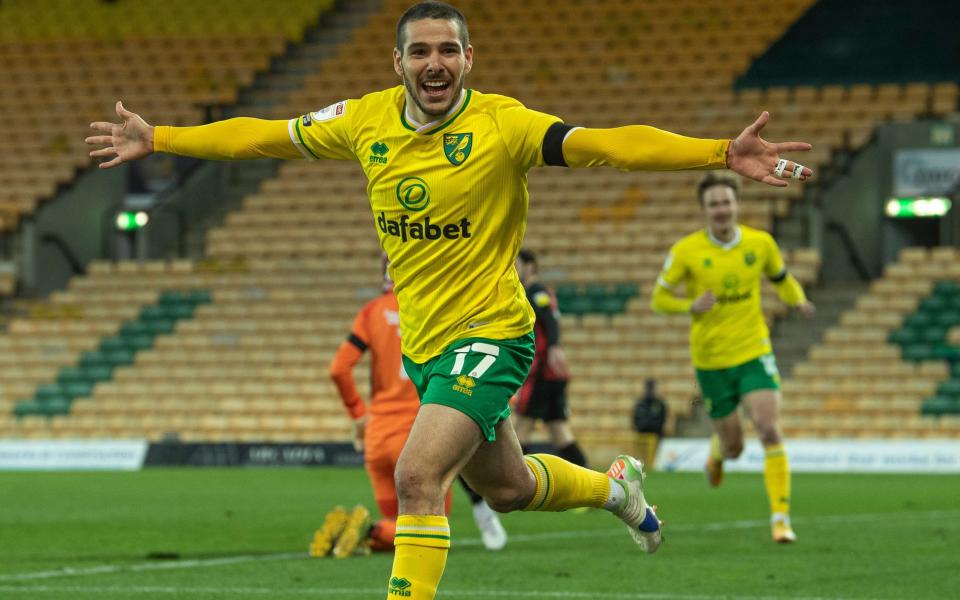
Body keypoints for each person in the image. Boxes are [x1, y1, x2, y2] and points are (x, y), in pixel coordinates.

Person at [86, 2, 812, 596]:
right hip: (430, 346)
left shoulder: (502, 125)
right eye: (421, 51)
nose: (435, 63)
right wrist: (163, 136)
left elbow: (609, 145)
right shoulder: (365, 120)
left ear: (469, 60)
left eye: (448, 50)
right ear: (397, 63)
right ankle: (614, 488)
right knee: (509, 489)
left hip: (494, 331)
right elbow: (263, 138)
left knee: (416, 475)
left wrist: (719, 152)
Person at [651, 172, 815, 544]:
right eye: (714, 204)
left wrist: (798, 299)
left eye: (726, 202)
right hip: (710, 361)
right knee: (735, 447)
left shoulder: (761, 243)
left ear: (736, 204)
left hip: (754, 350)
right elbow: (658, 300)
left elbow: (781, 277)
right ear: (704, 210)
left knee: (768, 427)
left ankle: (780, 519)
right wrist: (688, 305)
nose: (721, 210)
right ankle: (718, 452)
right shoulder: (685, 252)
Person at [323, 257, 507, 556]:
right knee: (430, 523)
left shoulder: (371, 312)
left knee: (398, 526)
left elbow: (339, 368)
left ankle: (371, 531)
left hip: (377, 435)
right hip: (420, 430)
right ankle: (367, 530)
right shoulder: (432, 309)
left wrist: (358, 414)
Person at [513, 249, 588, 467]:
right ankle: (595, 485)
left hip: (541, 372)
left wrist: (554, 347)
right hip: (552, 375)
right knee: (560, 433)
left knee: (520, 430)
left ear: (530, 267)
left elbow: (550, 319)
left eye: (517, 265)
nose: (513, 270)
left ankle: (518, 488)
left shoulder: (536, 292)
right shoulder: (539, 292)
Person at [632, 379, 667, 467]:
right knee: (641, 460)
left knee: (655, 462)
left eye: (651, 389)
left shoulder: (659, 404)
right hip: (641, 437)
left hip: (656, 437)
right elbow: (635, 420)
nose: (649, 391)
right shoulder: (640, 404)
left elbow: (662, 420)